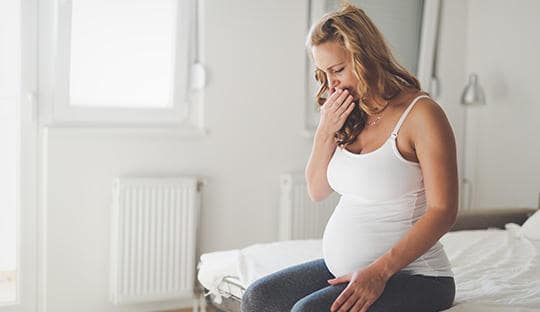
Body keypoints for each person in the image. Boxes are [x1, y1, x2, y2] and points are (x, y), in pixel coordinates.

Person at [241, 2, 457, 311]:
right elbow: (317, 190)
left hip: (416, 276)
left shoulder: (422, 115)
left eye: (338, 70)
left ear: (366, 57)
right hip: (349, 271)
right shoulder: (350, 114)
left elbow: (443, 210)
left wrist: (379, 272)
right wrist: (325, 130)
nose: (331, 85)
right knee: (258, 298)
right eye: (323, 74)